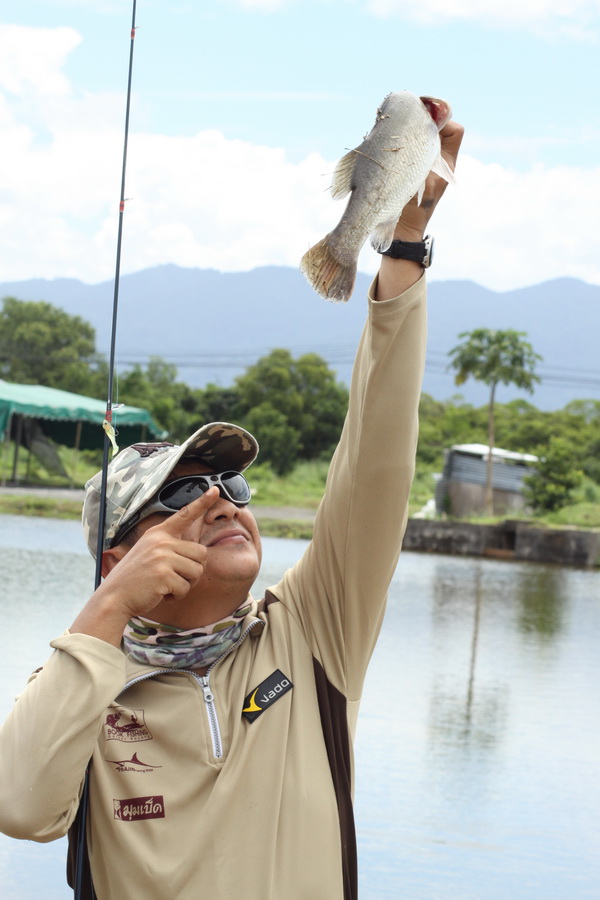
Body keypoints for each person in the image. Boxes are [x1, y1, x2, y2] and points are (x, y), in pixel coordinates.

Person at [0, 119, 463, 900]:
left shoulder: (313, 628)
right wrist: (109, 607)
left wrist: (404, 246)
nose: (219, 500)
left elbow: (376, 458)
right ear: (120, 556)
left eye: (230, 488)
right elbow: (20, 807)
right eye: (181, 495)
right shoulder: (80, 684)